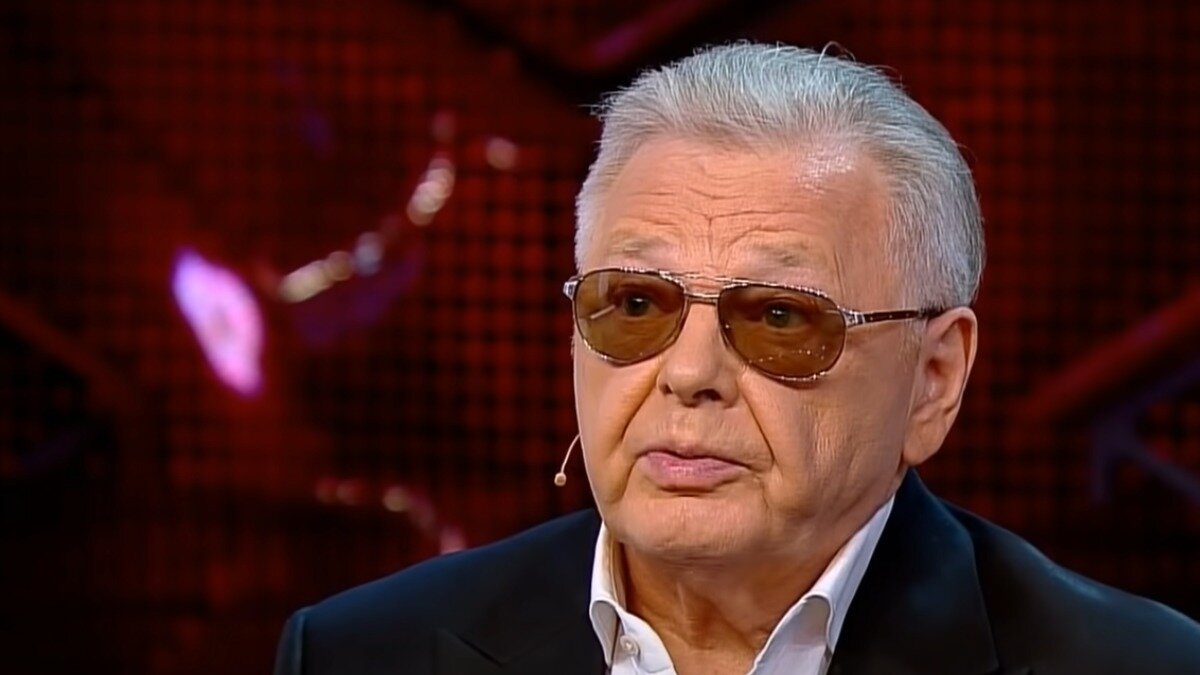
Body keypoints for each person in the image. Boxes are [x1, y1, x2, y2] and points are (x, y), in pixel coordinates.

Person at [273, 43, 1200, 675]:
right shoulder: (361, 652)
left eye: (780, 317)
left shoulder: (1138, 664)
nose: (688, 375)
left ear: (934, 379)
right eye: (637, 305)